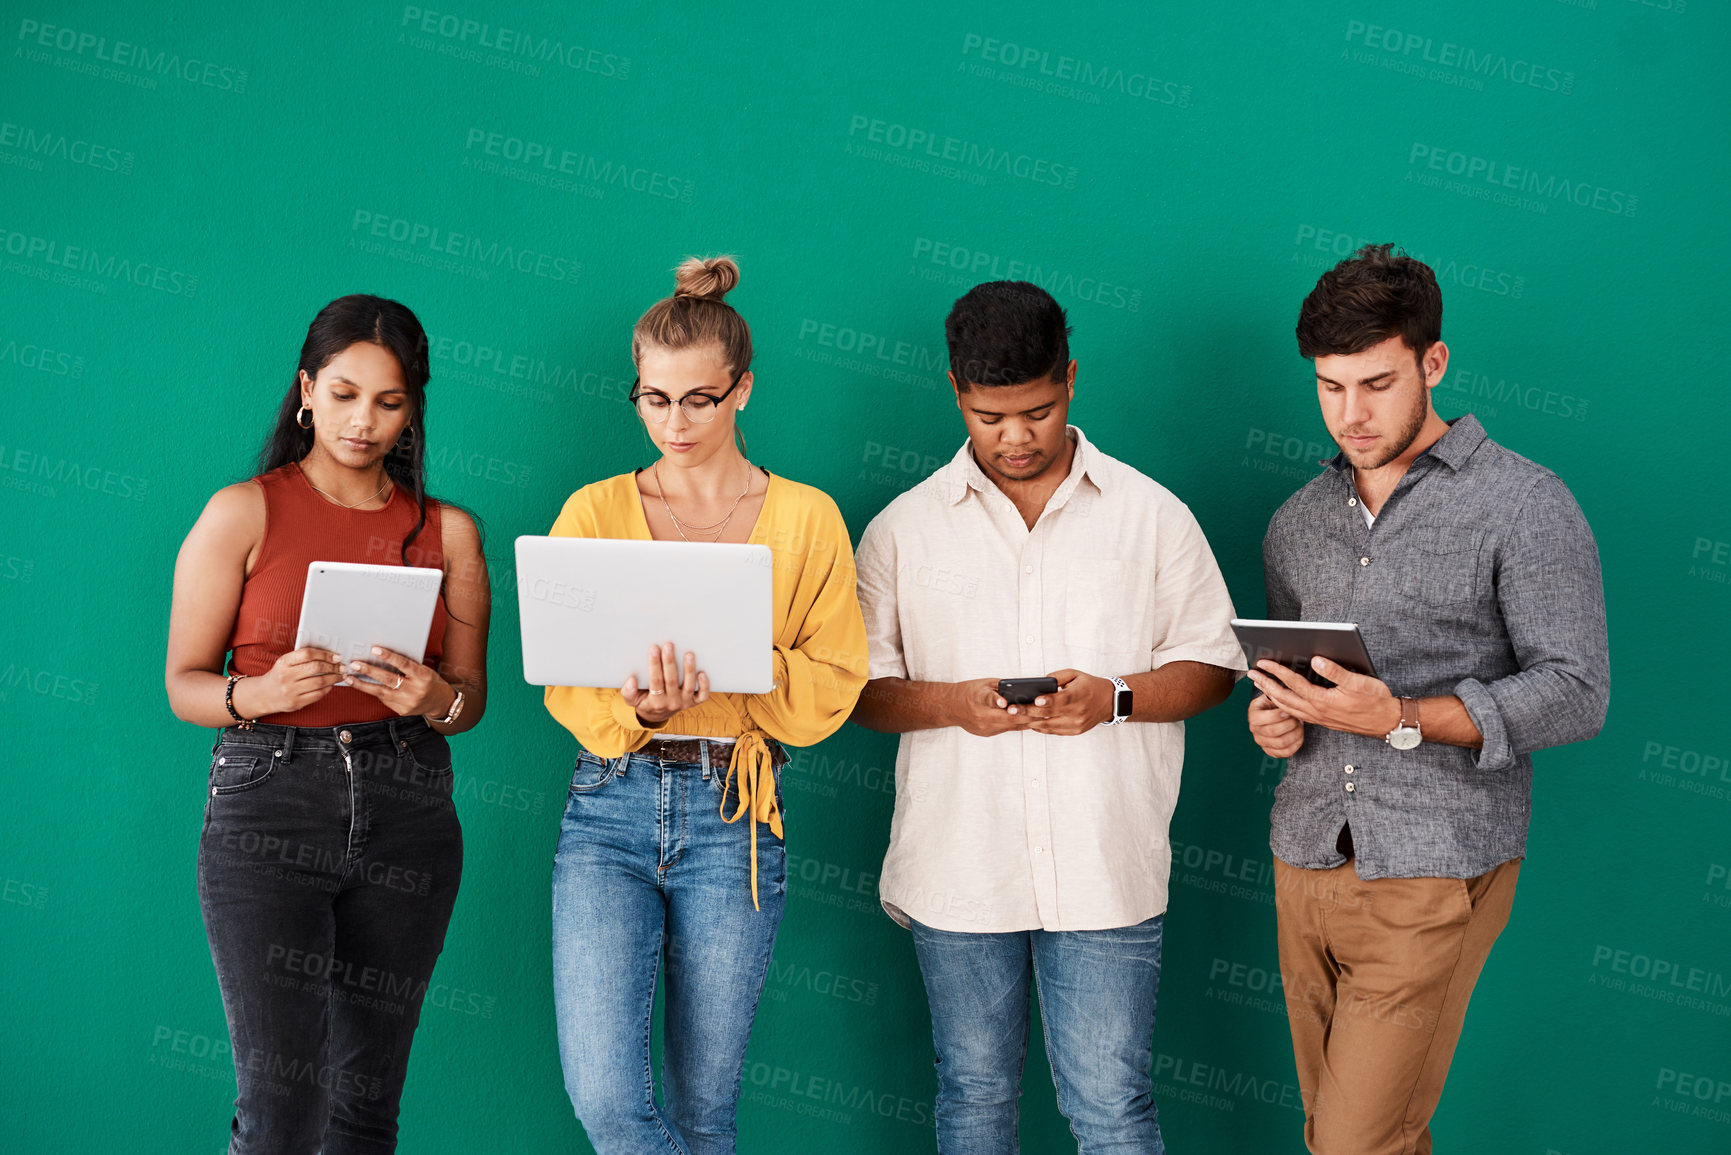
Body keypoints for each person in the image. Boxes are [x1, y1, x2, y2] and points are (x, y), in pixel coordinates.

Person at [852, 280, 1246, 1154]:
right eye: (991, 415)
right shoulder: (899, 532)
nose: (1016, 436)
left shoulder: (1152, 517)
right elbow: (862, 692)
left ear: (1070, 379)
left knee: (1111, 1106)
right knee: (974, 1096)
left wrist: (1114, 698)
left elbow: (1214, 667)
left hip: (1105, 865)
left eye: (1036, 409)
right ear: (955, 388)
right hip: (956, 866)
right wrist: (954, 704)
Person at [1245, 244, 1609, 1155]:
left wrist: (1400, 716)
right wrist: (1276, 720)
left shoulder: (1525, 503)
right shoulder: (1295, 522)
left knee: (1353, 1142)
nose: (1350, 414)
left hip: (1437, 865)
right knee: (1342, 1134)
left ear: (1432, 363)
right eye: (1329, 388)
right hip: (1306, 856)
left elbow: (1576, 691)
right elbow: (1298, 692)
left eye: (1374, 383)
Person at [542, 255, 867, 1155]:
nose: (674, 423)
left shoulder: (807, 518)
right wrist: (641, 713)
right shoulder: (595, 511)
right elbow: (566, 679)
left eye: (698, 399)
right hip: (609, 802)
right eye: (653, 399)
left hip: (736, 812)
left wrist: (731, 665)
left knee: (703, 1116)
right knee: (607, 1100)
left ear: (742, 390)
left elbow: (834, 680)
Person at [165, 294, 490, 1154]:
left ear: (413, 407)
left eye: (389, 401)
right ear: (306, 391)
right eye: (344, 394)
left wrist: (431, 700)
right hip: (268, 797)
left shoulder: (450, 532)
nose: (363, 421)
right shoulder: (242, 511)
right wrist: (258, 696)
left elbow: (468, 702)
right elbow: (183, 684)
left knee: (365, 1104)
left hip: (408, 804)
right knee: (281, 1110)